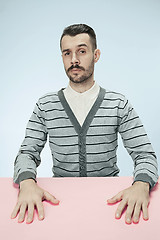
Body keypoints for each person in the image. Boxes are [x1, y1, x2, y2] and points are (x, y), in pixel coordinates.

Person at [11, 24, 158, 224]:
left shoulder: (118, 104)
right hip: (59, 206)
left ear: (96, 55)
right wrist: (27, 182)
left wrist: (141, 185)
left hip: (111, 206)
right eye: (67, 53)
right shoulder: (45, 105)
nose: (74, 60)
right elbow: (27, 153)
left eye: (82, 51)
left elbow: (145, 155)